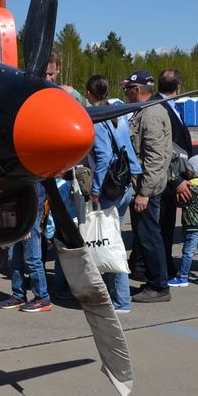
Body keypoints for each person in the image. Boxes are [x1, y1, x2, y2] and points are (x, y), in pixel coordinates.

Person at [69, 74, 142, 312]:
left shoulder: (98, 118)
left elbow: (101, 158)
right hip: (125, 184)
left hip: (110, 188)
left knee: (110, 242)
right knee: (113, 238)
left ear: (89, 94)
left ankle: (120, 299)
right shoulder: (117, 113)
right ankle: (115, 296)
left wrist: (96, 191)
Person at [124, 70, 174, 303]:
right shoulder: (146, 111)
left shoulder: (150, 114)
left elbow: (155, 158)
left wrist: (144, 192)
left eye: (127, 89)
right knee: (147, 236)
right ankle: (156, 280)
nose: (125, 93)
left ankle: (159, 286)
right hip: (147, 186)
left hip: (147, 189)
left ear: (137, 90)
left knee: (149, 237)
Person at [157, 70, 193, 277]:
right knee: (162, 227)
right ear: (178, 88)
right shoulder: (159, 108)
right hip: (167, 180)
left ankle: (155, 266)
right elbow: (163, 150)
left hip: (174, 177)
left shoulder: (169, 106)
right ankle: (160, 269)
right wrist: (177, 179)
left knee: (166, 226)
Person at [0, 181, 52, 313]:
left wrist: (27, 223)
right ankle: (18, 295)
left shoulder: (31, 176)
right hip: (17, 217)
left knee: (32, 260)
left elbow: (36, 199)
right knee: (14, 260)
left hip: (28, 218)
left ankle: (42, 298)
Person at [169, 155, 198, 287]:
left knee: (188, 251)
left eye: (188, 169)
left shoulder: (189, 186)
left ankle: (183, 277)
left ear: (192, 171)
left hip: (193, 223)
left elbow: (180, 202)